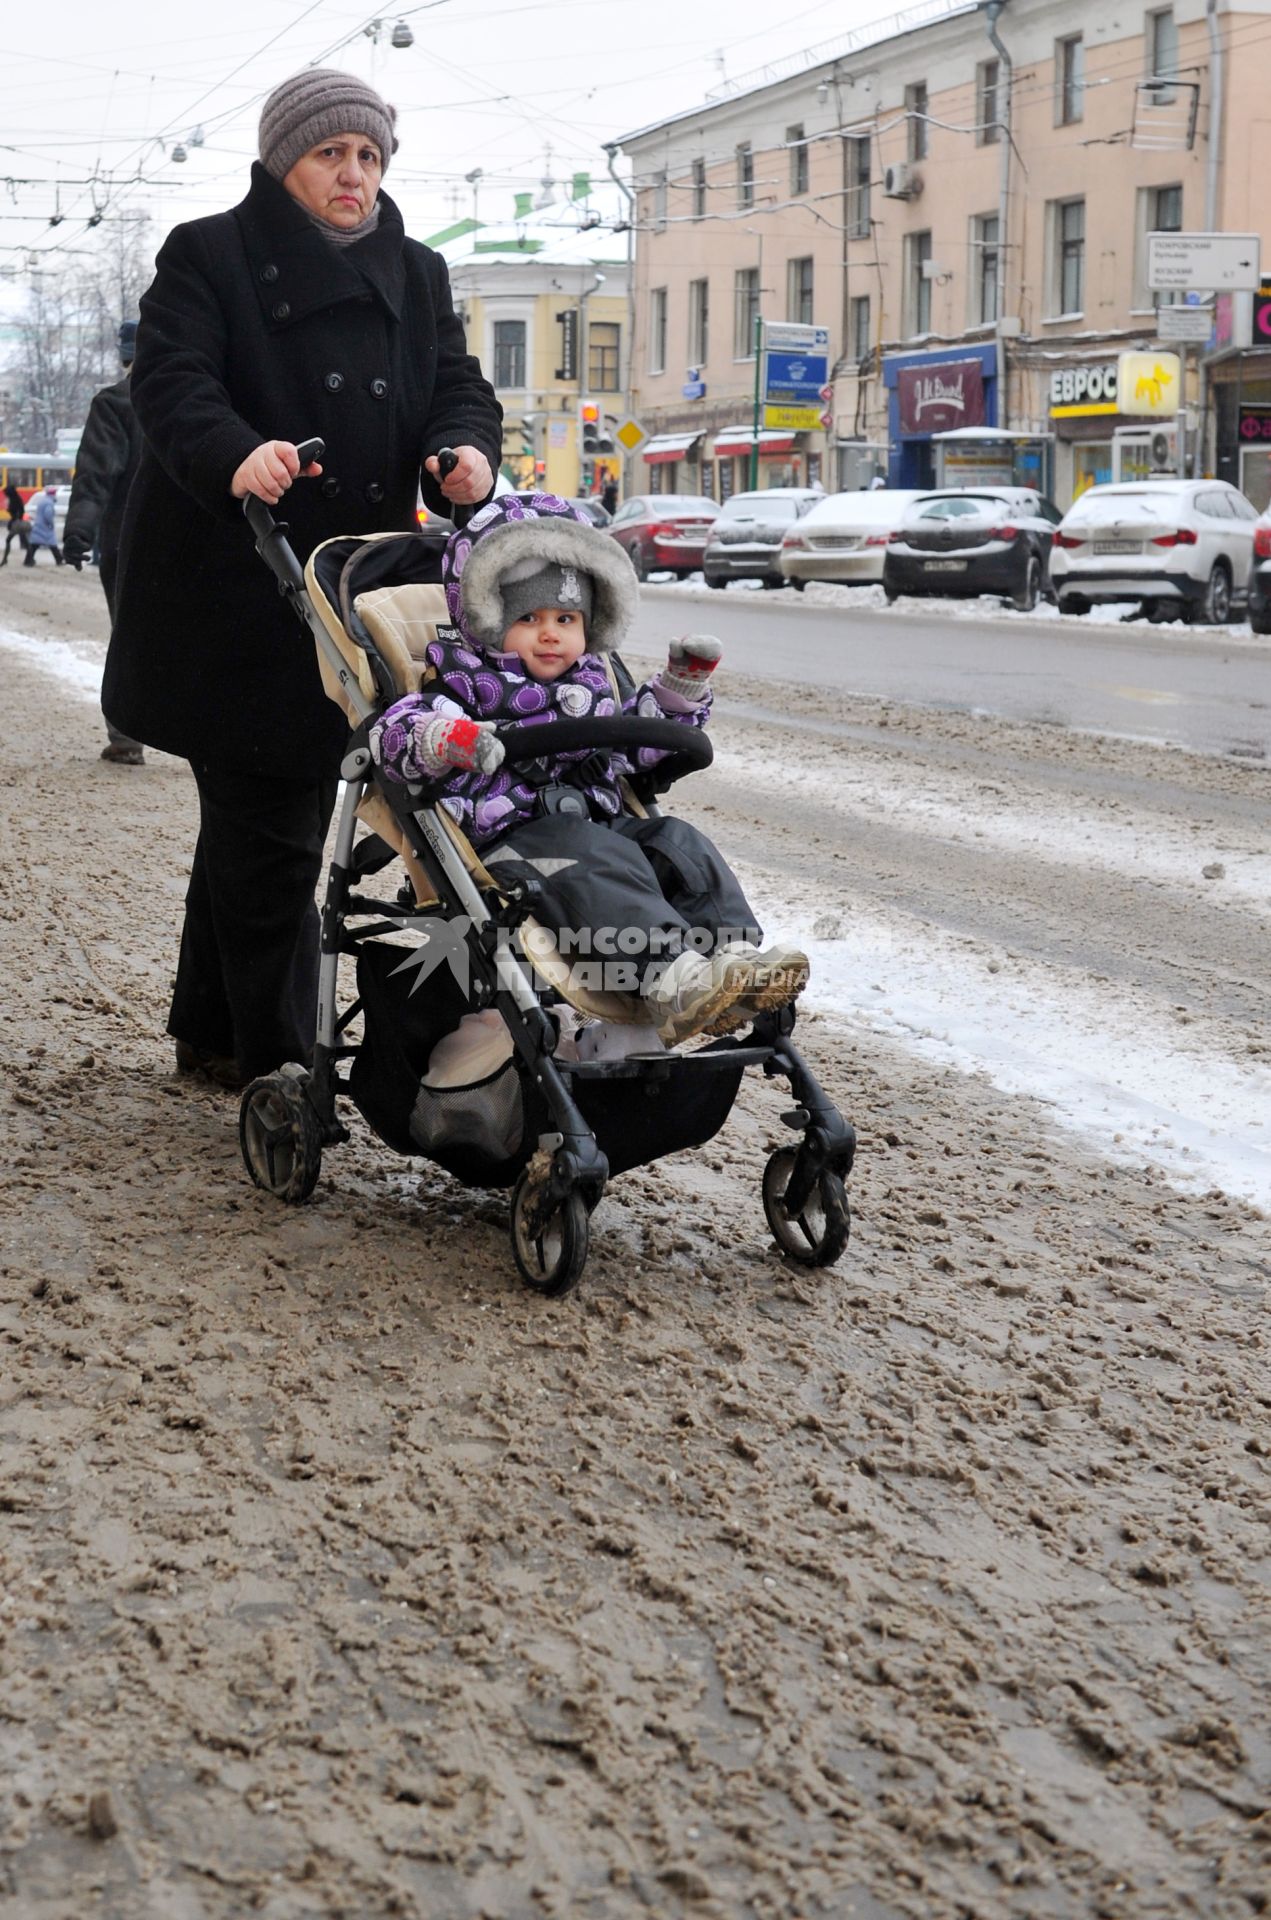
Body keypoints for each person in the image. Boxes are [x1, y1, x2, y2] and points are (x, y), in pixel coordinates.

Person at [101, 68, 503, 1090]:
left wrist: (462, 449)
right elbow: (170, 378)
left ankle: (216, 1031)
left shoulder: (414, 270)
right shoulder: (209, 255)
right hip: (231, 578)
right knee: (267, 810)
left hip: (348, 579)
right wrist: (236, 451)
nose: (354, 175)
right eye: (332, 154)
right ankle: (277, 1063)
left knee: (258, 811)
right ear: (286, 162)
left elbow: (454, 380)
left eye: (369, 156)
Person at [368, 494, 809, 1043]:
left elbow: (628, 751)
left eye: (566, 618)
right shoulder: (462, 678)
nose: (550, 632)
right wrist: (447, 738)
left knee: (676, 841)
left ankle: (733, 959)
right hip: (515, 844)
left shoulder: (590, 683)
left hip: (601, 831)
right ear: (487, 617)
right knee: (592, 856)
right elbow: (397, 731)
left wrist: (677, 694)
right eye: (528, 618)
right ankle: (672, 978)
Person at [64, 320, 147, 766]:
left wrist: (79, 530)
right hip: (191, 544)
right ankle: (208, 743)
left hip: (127, 544)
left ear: (123, 356)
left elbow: (95, 475)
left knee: (128, 638)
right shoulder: (192, 402)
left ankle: (127, 739)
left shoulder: (115, 403)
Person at [24, 485, 63, 566]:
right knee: (53, 544)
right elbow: (48, 514)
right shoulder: (49, 502)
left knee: (34, 544)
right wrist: (51, 524)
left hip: (38, 525)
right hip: (45, 527)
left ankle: (28, 561)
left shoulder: (42, 500)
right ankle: (59, 560)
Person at [1, 479, 30, 564]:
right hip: (18, 523)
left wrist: (10, 512)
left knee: (8, 540)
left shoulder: (14, 500)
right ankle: (29, 559)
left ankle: (5, 559)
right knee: (25, 542)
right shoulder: (17, 499)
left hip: (16, 524)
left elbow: (15, 512)